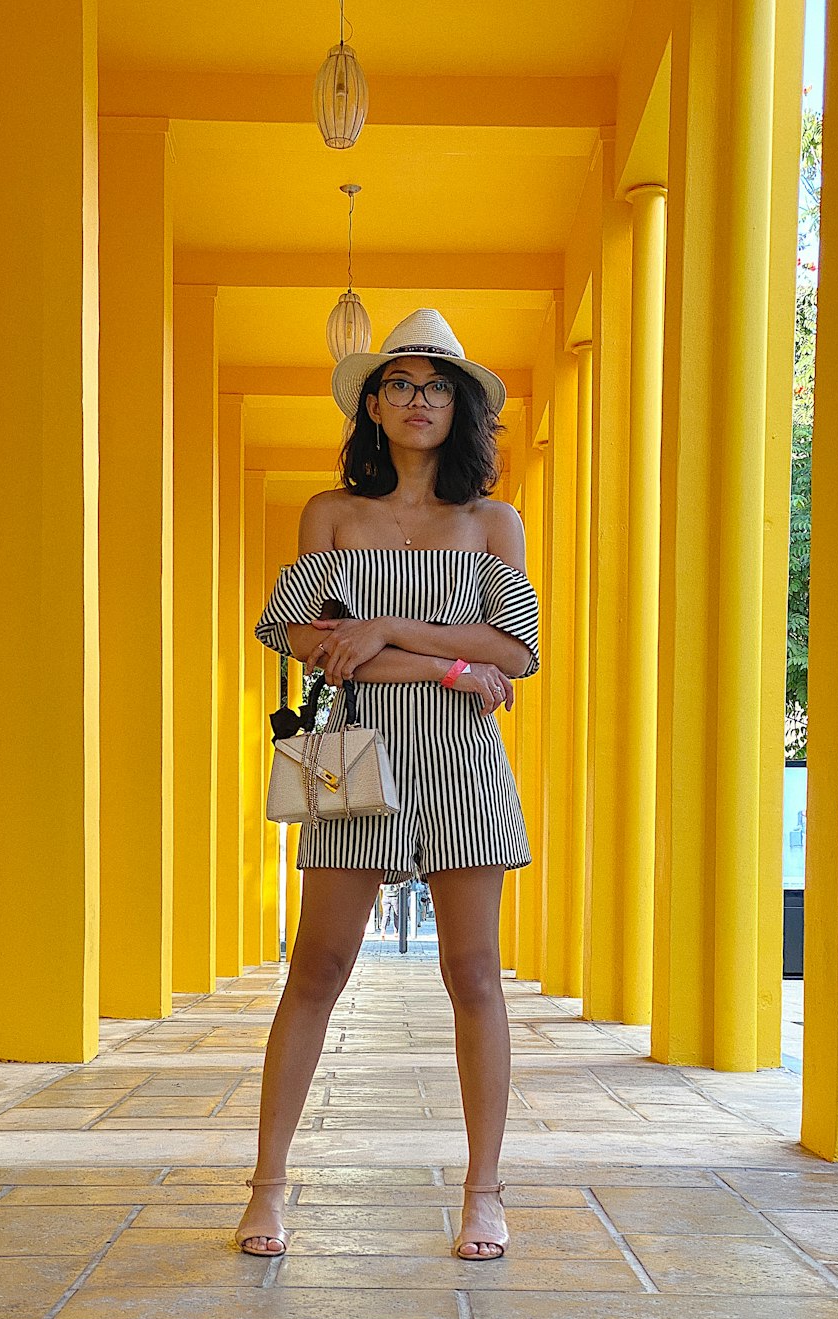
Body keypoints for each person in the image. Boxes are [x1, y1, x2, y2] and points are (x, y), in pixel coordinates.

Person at [235, 309, 539, 1262]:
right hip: (346, 748)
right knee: (315, 968)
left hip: (462, 760)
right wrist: (445, 665)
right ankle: (267, 1186)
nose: (418, 399)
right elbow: (312, 644)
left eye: (436, 385)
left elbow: (518, 651)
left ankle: (484, 1193)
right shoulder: (332, 513)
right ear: (372, 403)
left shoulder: (494, 521)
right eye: (400, 383)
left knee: (473, 974)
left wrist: (387, 632)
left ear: (462, 408)